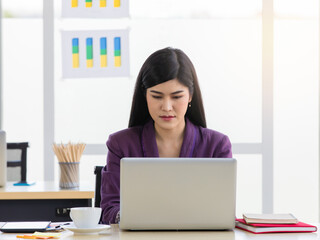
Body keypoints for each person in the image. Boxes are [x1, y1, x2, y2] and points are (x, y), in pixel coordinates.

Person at [100, 47, 232, 224]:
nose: (167, 107)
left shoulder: (217, 146)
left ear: (190, 96)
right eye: (157, 96)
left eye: (176, 97)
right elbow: (109, 210)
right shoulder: (120, 144)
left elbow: (221, 211)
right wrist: (130, 218)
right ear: (145, 96)